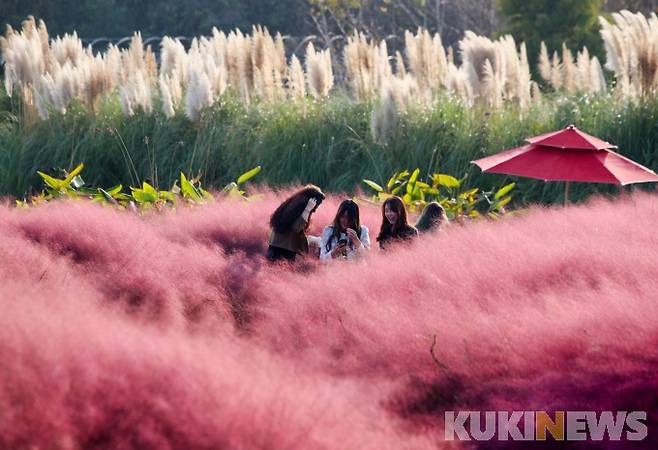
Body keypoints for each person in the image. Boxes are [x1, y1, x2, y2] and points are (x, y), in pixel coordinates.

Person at [267, 185, 325, 262]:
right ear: (311, 201)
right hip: (283, 252)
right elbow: (296, 228)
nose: (316, 208)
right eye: (317, 205)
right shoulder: (299, 209)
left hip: (275, 249)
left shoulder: (290, 207)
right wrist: (307, 209)